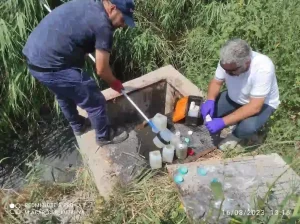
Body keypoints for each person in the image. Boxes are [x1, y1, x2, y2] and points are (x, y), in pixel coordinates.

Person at [22, 0, 136, 146]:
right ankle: (104, 136)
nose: (123, 25)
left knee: (64, 94)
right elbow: (101, 69)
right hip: (52, 64)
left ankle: (78, 126)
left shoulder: (90, 4)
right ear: (113, 8)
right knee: (95, 100)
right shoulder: (103, 26)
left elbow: (77, 31)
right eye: (122, 19)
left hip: (35, 60)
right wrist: (114, 83)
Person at [200, 38, 280, 150]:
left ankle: (237, 135)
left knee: (247, 127)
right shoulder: (227, 62)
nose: (226, 72)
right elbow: (216, 82)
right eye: (224, 69)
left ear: (246, 63)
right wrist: (210, 100)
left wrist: (223, 122)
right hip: (234, 97)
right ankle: (234, 119)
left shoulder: (263, 68)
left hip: (261, 104)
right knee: (208, 113)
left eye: (231, 71)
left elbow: (254, 107)